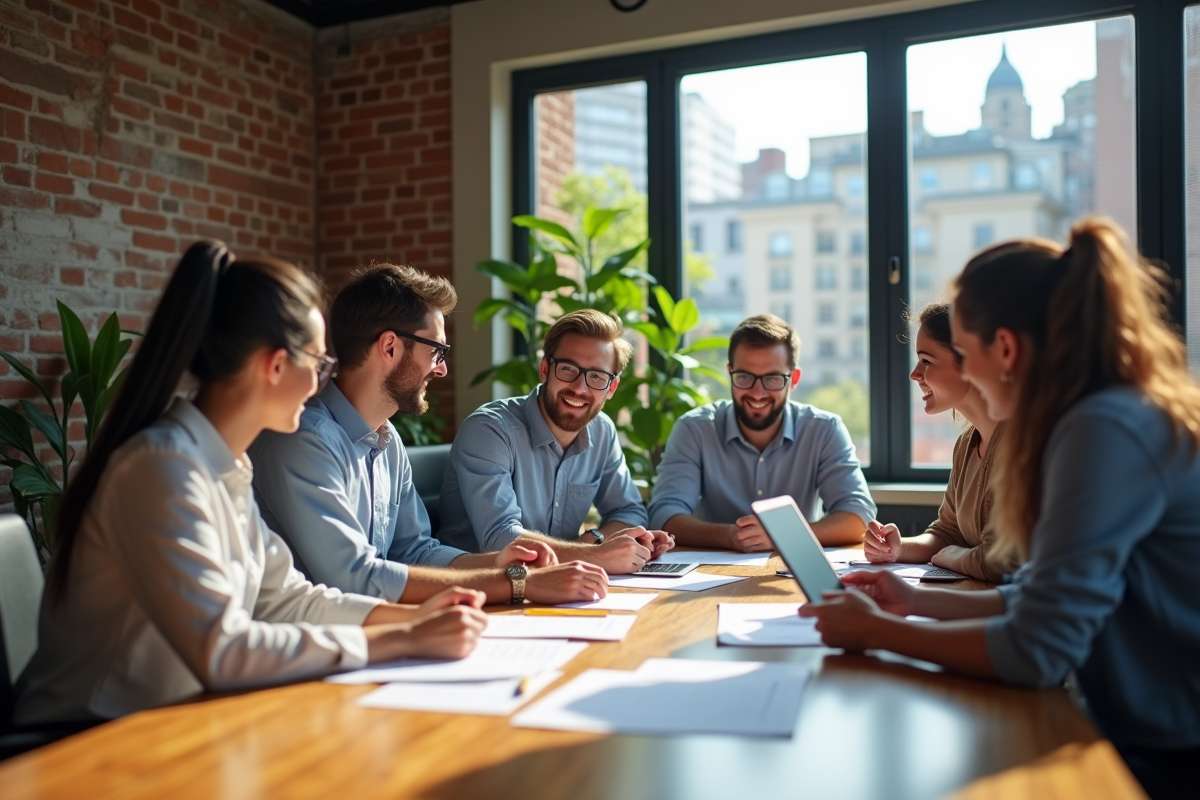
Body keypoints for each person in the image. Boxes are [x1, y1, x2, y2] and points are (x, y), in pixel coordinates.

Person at [800, 219, 1200, 800]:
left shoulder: (1100, 430)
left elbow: (1037, 648)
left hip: (1173, 756)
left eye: (962, 352)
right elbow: (1040, 594)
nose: (964, 375)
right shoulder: (1099, 416)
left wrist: (884, 633)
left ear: (1006, 349)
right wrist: (913, 600)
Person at [14, 242, 487, 726]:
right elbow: (222, 648)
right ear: (275, 364)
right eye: (320, 365)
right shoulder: (162, 468)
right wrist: (402, 639)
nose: (321, 383)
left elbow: (287, 598)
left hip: (169, 726)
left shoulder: (225, 465)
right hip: (76, 742)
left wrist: (419, 618)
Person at [250, 263, 608, 606]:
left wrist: (500, 563)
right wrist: (516, 583)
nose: (441, 368)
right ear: (390, 347)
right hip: (312, 648)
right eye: (436, 350)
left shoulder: (388, 442)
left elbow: (417, 551)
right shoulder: (303, 441)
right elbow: (354, 578)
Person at [437, 310, 673, 572]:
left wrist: (594, 542)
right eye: (568, 369)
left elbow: (629, 512)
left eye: (596, 377)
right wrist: (594, 554)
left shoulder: (602, 431)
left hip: (558, 585)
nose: (580, 388)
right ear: (545, 369)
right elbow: (501, 538)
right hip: (480, 589)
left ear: (611, 389)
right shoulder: (490, 430)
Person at [648, 314, 875, 550]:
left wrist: (784, 535)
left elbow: (858, 517)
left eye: (772, 378)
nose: (757, 393)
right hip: (709, 576)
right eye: (744, 377)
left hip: (790, 577)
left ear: (793, 379)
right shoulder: (694, 429)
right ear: (730, 373)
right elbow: (664, 515)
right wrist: (729, 536)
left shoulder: (824, 429)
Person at [863, 303, 1016, 581]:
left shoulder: (1019, 442)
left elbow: (1002, 560)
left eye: (926, 361)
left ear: (968, 363)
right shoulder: (966, 444)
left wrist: (955, 557)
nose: (914, 374)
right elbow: (948, 533)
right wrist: (897, 548)